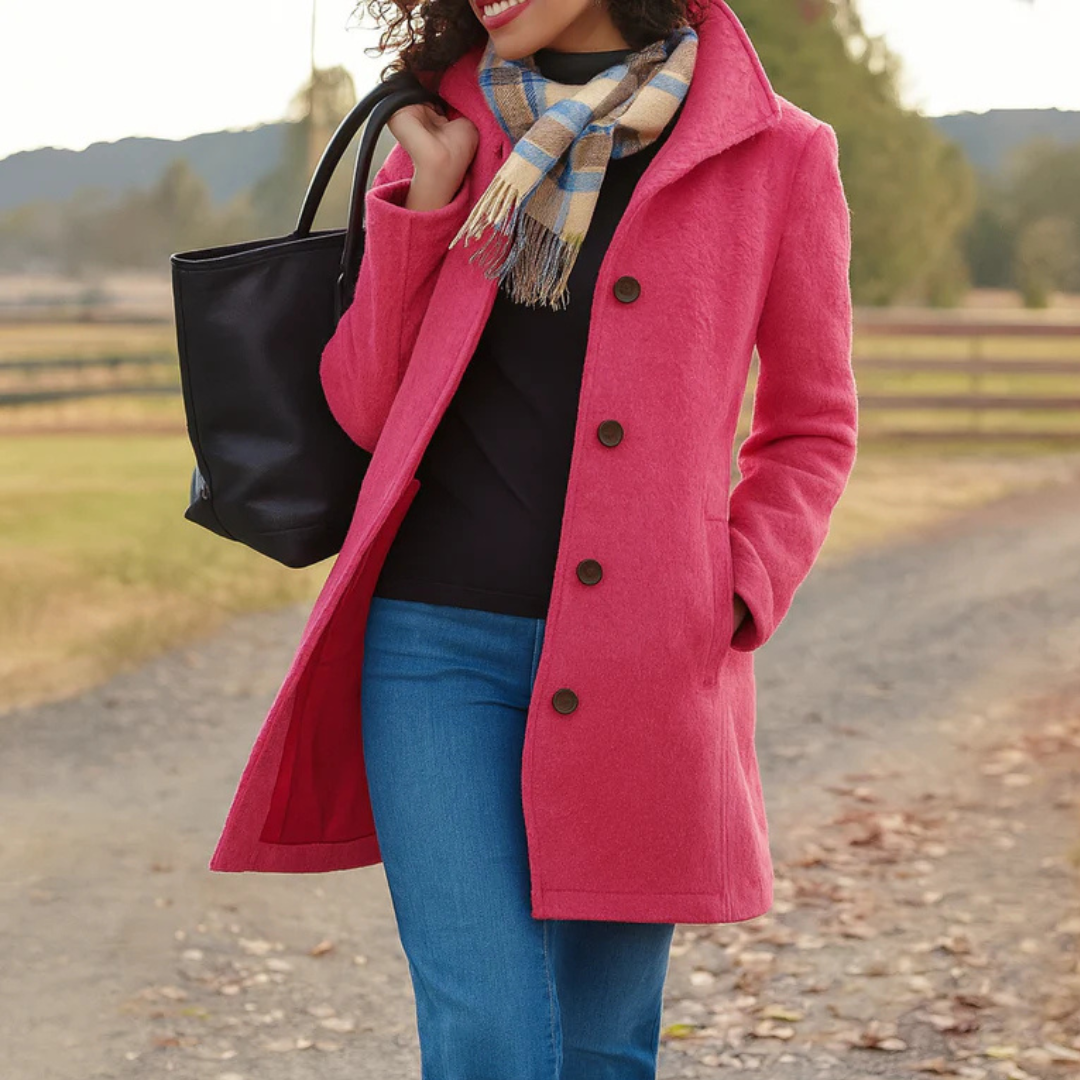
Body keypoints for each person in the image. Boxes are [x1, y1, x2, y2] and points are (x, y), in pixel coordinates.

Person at [209, 0, 858, 1077]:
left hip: (645, 661)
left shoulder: (777, 152)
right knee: (491, 1033)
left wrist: (734, 589)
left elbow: (812, 426)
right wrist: (426, 202)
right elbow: (364, 409)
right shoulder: (445, 129)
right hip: (432, 649)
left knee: (604, 1045)